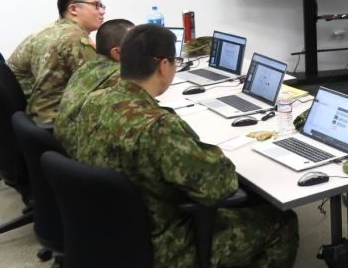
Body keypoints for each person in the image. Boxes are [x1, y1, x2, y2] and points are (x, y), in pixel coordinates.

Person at [61, 24, 298, 268]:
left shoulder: (94, 101)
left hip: (106, 233)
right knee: (281, 221)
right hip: (164, 246)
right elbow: (218, 187)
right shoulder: (159, 127)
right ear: (164, 66)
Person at [8, 0, 104, 124]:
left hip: (29, 116)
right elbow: (100, 82)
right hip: (52, 118)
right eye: (96, 5)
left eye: (102, 6)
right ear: (73, 9)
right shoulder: (73, 38)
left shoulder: (53, 30)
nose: (102, 11)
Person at [54, 19, 134, 148]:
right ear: (117, 53)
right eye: (137, 45)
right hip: (80, 149)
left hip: (64, 145)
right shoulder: (118, 75)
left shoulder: (88, 66)